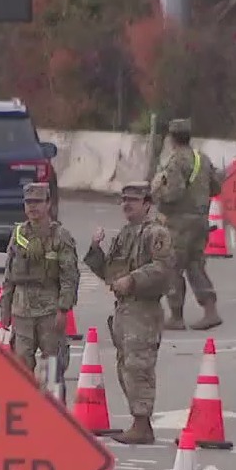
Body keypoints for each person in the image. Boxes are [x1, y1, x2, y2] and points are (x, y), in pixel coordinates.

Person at [84, 182, 173, 445]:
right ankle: (138, 420)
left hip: (143, 310)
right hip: (124, 309)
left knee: (139, 366)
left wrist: (133, 280)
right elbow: (111, 274)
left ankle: (143, 423)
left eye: (133, 200)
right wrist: (95, 251)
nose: (127, 204)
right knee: (125, 366)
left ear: (147, 203)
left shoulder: (156, 233)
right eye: (124, 199)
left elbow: (163, 269)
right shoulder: (124, 234)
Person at [0, 183, 79, 379]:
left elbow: (69, 276)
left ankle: (52, 407)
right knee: (21, 367)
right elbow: (9, 276)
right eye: (28, 202)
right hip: (22, 309)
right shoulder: (18, 235)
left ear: (48, 204)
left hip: (49, 310)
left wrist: (63, 309)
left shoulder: (60, 236)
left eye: (37, 202)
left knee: (52, 367)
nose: (32, 207)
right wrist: (5, 310)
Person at [150, 118, 223, 330]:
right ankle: (211, 311)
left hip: (178, 223)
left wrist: (156, 192)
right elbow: (216, 188)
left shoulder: (175, 162)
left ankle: (176, 316)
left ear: (171, 138)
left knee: (172, 267)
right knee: (196, 266)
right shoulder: (203, 159)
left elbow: (174, 193)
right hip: (200, 221)